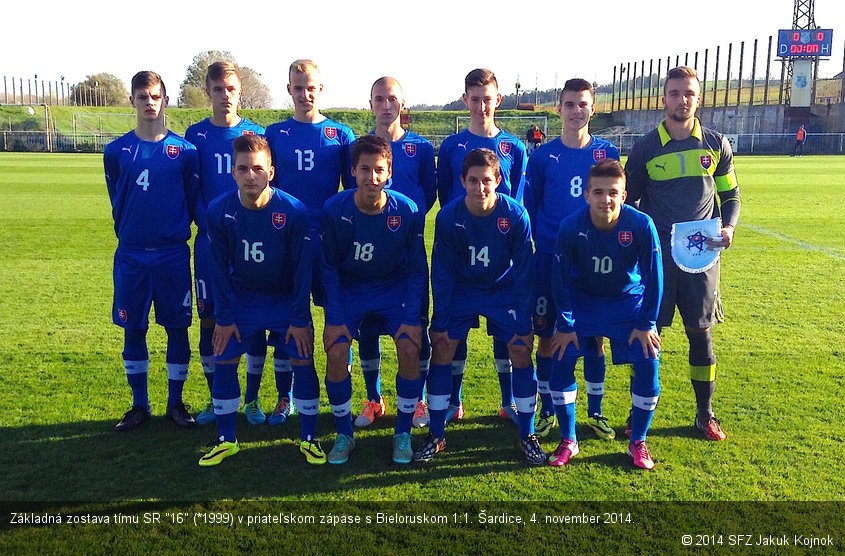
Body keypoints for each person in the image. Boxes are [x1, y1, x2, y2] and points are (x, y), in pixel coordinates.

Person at [625, 66, 741, 442]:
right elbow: (631, 200)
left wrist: (729, 227)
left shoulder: (715, 144)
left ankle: (704, 414)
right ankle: (637, 415)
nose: (682, 100)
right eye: (675, 93)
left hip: (701, 257)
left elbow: (731, 196)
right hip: (657, 258)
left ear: (698, 97)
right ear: (664, 99)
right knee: (649, 334)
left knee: (700, 334)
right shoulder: (645, 148)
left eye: (688, 93)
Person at [199, 134, 323, 466]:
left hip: (284, 302)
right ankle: (226, 439)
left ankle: (309, 438)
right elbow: (219, 270)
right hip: (242, 299)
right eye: (243, 168)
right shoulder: (219, 211)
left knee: (303, 355)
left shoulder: (294, 212)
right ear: (233, 172)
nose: (250, 175)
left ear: (271, 170)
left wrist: (299, 318)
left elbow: (301, 271)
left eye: (257, 168)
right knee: (222, 353)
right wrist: (224, 317)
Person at [418, 148, 544, 465]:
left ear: (498, 180)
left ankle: (527, 435)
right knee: (444, 345)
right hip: (464, 288)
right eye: (473, 180)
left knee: (519, 348)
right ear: (462, 181)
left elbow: (524, 272)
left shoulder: (515, 215)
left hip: (502, 289)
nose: (480, 187)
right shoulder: (449, 216)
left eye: (486, 180)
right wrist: (441, 318)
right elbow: (442, 271)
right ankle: (436, 434)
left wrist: (524, 322)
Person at [548, 159, 662, 470]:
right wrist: (566, 324)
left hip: (626, 304)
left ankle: (637, 441)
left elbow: (655, 278)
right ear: (586, 195)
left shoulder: (640, 225)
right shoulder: (571, 227)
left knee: (649, 361)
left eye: (613, 192)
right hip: (583, 303)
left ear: (624, 195)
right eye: (598, 192)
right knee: (561, 358)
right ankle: (569, 439)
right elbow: (559, 279)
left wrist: (646, 324)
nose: (605, 199)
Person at [320, 135, 428, 465]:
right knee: (337, 349)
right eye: (364, 169)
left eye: (378, 170)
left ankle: (403, 433)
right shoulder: (335, 209)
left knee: (410, 346)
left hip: (392, 289)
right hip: (352, 290)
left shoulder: (406, 210)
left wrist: (411, 316)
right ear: (353, 170)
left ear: (389, 172)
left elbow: (416, 270)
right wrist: (334, 317)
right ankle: (343, 435)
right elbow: (328, 268)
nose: (372, 177)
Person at [524, 78, 620, 441]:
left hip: (593, 259)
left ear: (592, 108)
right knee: (547, 335)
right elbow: (530, 206)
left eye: (583, 104)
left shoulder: (606, 151)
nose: (577, 110)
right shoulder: (543, 155)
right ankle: (548, 408)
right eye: (570, 104)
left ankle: (595, 412)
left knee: (593, 336)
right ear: (559, 109)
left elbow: (616, 202)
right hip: (550, 257)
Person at [104, 71, 199, 431]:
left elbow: (191, 201)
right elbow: (118, 200)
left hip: (172, 253)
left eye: (155, 96)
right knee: (133, 329)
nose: (149, 102)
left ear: (165, 100)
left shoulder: (185, 152)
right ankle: (139, 405)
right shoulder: (115, 151)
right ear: (132, 100)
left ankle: (176, 403)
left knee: (177, 327)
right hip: (131, 254)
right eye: (142, 96)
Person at [264, 59, 355, 427]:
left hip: (330, 244)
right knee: (288, 321)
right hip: (288, 243)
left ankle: (347, 399)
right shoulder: (275, 134)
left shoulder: (340, 134)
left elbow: (353, 193)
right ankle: (285, 397)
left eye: (311, 87)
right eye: (298, 87)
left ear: (321, 89)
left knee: (341, 319)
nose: (305, 94)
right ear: (289, 90)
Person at [436, 68, 529, 426]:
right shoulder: (451, 146)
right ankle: (455, 401)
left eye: (487, 98)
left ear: (497, 99)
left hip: (501, 259)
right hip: (462, 254)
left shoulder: (514, 147)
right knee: (453, 336)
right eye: (474, 99)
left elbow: (516, 194)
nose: (481, 106)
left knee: (504, 335)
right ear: (465, 101)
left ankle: (509, 402)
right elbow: (447, 194)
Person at [184, 62, 270, 428]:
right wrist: (215, 227)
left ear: (239, 92)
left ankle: (251, 400)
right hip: (209, 244)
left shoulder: (257, 133)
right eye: (218, 90)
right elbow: (192, 193)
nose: (225, 96)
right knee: (209, 319)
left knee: (252, 321)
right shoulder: (195, 135)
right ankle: (216, 396)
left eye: (231, 89)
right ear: (208, 93)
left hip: (250, 244)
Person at [355, 76, 436, 430]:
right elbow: (355, 191)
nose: (386, 105)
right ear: (370, 104)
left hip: (409, 255)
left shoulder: (420, 148)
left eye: (392, 98)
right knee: (368, 330)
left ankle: (416, 401)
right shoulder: (360, 148)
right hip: (370, 255)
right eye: (379, 98)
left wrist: (405, 225)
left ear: (402, 104)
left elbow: (431, 194)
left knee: (417, 329)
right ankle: (374, 399)